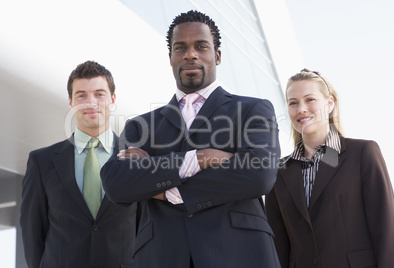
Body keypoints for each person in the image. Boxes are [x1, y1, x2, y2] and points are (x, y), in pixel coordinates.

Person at [101, 10, 281, 268]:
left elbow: (258, 174)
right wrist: (199, 158)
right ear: (171, 57)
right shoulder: (140, 126)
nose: (190, 54)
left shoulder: (252, 110)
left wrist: (162, 187)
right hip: (162, 256)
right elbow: (116, 183)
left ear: (217, 56)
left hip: (239, 254)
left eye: (201, 46)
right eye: (180, 47)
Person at [265, 68, 394, 268]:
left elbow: (386, 230)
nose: (301, 109)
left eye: (310, 99)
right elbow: (278, 247)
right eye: (293, 102)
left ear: (329, 104)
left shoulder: (362, 154)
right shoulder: (279, 171)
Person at [20, 61, 137, 268]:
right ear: (71, 102)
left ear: (112, 99)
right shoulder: (41, 162)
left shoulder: (136, 159)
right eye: (81, 95)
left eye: (99, 94)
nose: (90, 102)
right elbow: (32, 232)